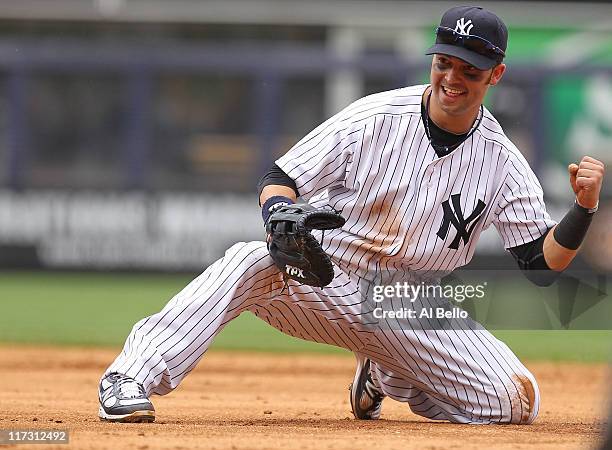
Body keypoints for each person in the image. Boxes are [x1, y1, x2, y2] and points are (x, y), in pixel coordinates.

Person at [98, 5, 605, 424]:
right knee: (247, 259)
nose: (453, 78)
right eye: (444, 63)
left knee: (516, 403)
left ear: (496, 75)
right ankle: (129, 375)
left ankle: (387, 372)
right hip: (325, 278)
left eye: (469, 70)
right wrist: (279, 215)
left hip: (407, 306)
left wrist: (583, 209)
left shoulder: (503, 161)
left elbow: (541, 267)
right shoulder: (374, 117)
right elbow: (280, 175)